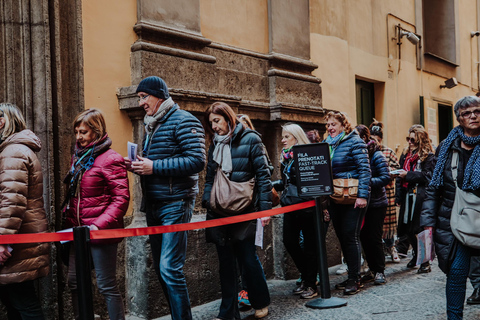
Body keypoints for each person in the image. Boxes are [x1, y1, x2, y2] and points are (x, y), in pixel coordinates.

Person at [125, 76, 206, 320]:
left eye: (144, 97)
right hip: (154, 204)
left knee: (169, 269)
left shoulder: (184, 120)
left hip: (176, 203)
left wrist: (154, 167)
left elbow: (197, 160)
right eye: (139, 98)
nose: (141, 103)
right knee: (163, 271)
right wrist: (139, 165)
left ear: (159, 96)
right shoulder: (151, 124)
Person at [203, 102, 271, 319]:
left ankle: (260, 301)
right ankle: (228, 312)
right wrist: (206, 200)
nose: (214, 126)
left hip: (245, 209)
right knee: (225, 264)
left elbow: (263, 175)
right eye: (211, 122)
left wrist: (265, 210)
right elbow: (210, 176)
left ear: (228, 117)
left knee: (248, 259)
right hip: (219, 211)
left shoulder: (251, 139)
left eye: (217, 120)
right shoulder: (214, 144)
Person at [63, 109, 129, 320]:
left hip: (100, 232)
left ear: (96, 131)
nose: (79, 137)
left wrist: (98, 226)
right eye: (76, 132)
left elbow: (121, 198)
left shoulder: (111, 159)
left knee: (106, 285)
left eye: (83, 132)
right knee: (74, 281)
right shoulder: (78, 157)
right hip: (78, 231)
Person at [422, 96, 480, 319]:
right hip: (455, 220)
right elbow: (434, 189)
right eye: (466, 113)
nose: (473, 116)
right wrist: (428, 223)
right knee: (456, 273)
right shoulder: (447, 147)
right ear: (459, 118)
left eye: (477, 111)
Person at [0, 103, 50, 319]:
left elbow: (12, 203)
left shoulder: (13, 152)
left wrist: (2, 241)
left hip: (14, 243)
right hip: (16, 240)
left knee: (24, 303)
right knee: (15, 303)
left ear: (2, 121)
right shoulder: (14, 150)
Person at [272, 123, 322, 299]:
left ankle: (310, 283)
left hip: (307, 206)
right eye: (282, 136)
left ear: (296, 137)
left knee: (310, 246)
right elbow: (287, 182)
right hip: (291, 206)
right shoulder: (286, 157)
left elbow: (313, 180)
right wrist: (274, 184)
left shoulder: (306, 155)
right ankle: (308, 274)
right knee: (289, 241)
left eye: (286, 136)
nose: (282, 140)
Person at [325, 111, 371, 295]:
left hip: (353, 198)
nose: (330, 128)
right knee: (342, 236)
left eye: (333, 124)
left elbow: (365, 170)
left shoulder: (355, 142)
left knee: (350, 236)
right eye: (328, 125)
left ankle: (355, 278)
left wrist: (362, 196)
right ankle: (352, 273)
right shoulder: (328, 144)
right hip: (335, 197)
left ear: (344, 126)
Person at [395, 125, 435, 274]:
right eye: (408, 139)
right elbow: (400, 179)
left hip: (421, 197)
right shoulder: (405, 155)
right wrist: (398, 196)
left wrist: (408, 175)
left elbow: (428, 177)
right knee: (408, 229)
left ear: (420, 140)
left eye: (413, 139)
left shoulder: (429, 156)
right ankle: (417, 255)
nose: (410, 142)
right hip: (407, 196)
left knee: (420, 230)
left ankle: (425, 262)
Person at [356, 125, 391, 285]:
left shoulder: (376, 155)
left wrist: (366, 182)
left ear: (364, 138)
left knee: (375, 238)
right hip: (364, 203)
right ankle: (371, 269)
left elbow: (386, 177)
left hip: (377, 203)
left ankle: (380, 271)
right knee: (364, 237)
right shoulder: (357, 153)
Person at [369, 120, 401, 263]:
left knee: (388, 225)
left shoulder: (388, 151)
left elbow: (397, 169)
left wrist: (389, 172)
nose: (375, 142)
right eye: (372, 139)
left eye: (377, 139)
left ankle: (391, 247)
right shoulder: (367, 150)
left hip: (387, 192)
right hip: (372, 192)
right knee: (376, 226)